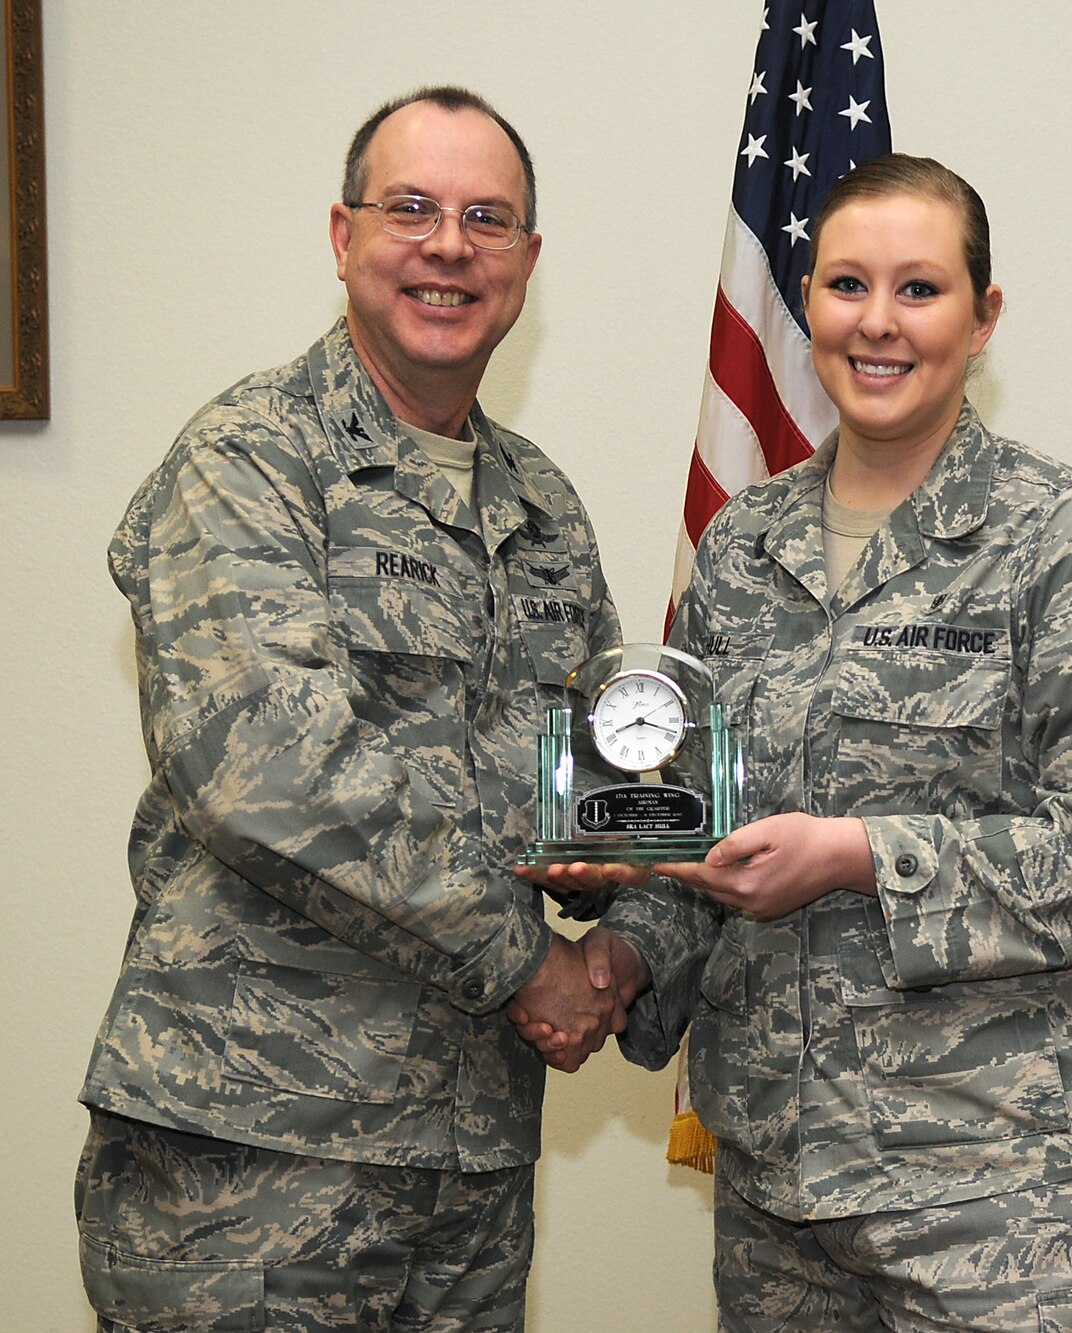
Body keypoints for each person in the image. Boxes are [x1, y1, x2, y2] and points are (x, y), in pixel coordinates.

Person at [523, 154, 1072, 1330]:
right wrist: (620, 958)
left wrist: (852, 854)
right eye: (846, 285)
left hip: (1019, 1206)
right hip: (785, 1212)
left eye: (920, 289)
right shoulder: (742, 549)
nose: (877, 323)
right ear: (808, 306)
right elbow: (706, 834)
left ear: (983, 317)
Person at [76, 86, 622, 1330]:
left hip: (468, 1171)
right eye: (411, 209)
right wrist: (528, 960)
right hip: (254, 1163)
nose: (449, 246)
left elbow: (598, 788)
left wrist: (634, 937)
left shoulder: (543, 511)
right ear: (342, 236)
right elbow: (266, 768)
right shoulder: (250, 457)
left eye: (489, 219)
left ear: (528, 263)